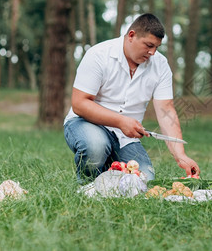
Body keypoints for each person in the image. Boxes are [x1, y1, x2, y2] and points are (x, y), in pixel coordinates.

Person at [64, 13, 200, 183]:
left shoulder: (161, 65)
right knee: (96, 147)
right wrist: (121, 121)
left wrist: (180, 155)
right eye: (149, 45)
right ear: (131, 36)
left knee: (144, 179)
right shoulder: (98, 55)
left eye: (156, 47)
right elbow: (79, 104)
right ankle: (87, 187)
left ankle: (108, 173)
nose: (152, 52)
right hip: (86, 123)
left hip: (125, 138)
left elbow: (166, 110)